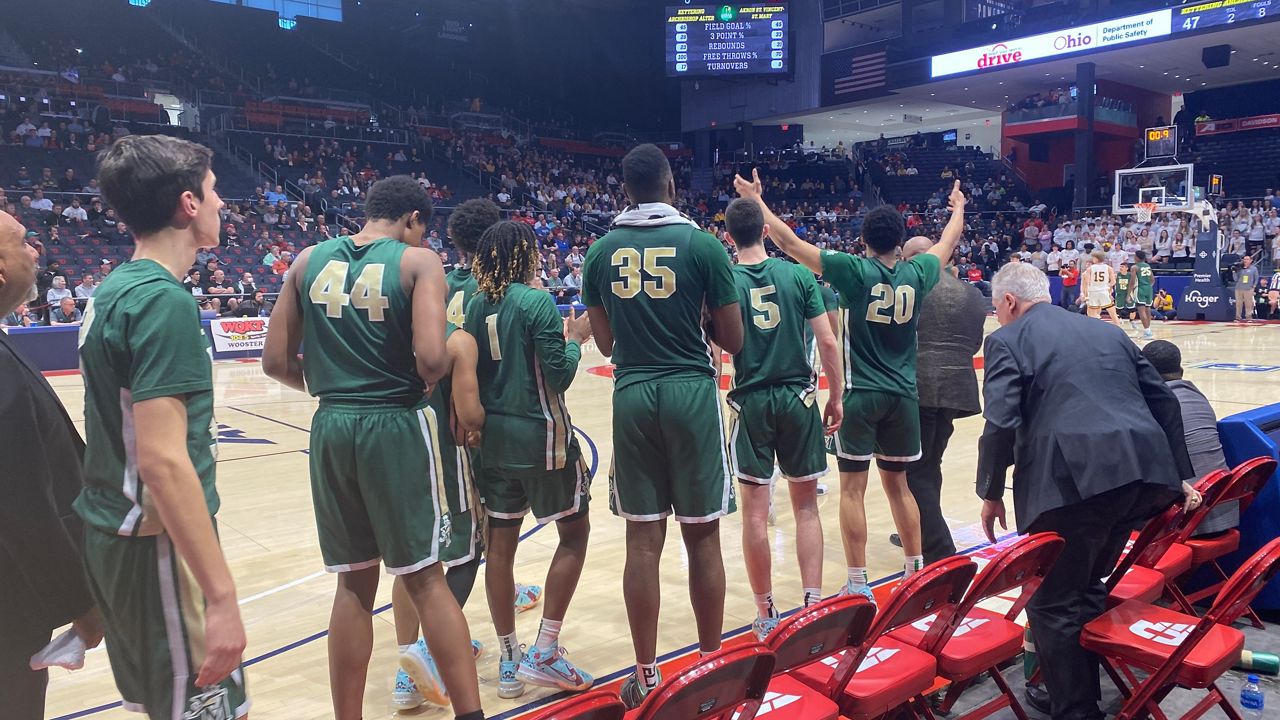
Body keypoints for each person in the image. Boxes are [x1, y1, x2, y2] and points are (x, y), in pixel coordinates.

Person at [262, 176, 485, 720]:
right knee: (428, 579)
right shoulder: (419, 262)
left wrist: (333, 385)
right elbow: (432, 359)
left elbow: (273, 361)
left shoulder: (307, 259)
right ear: (413, 219)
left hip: (332, 427)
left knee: (353, 587)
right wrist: (432, 369)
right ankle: (472, 715)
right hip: (393, 424)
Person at [77, 135, 249, 718]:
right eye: (213, 189)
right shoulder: (161, 301)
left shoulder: (115, 289)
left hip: (121, 537)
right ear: (188, 204)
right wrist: (222, 597)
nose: (222, 201)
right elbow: (162, 460)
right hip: (157, 545)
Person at [976, 263, 1193, 720]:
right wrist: (1180, 475)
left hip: (1074, 484)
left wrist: (991, 491)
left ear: (1010, 302)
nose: (996, 317)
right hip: (1141, 479)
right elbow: (1166, 400)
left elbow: (1000, 423)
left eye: (995, 307)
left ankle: (1076, 710)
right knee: (1087, 585)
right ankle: (1074, 693)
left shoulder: (1006, 340)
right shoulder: (1106, 331)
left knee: (1052, 602)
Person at [740, 171, 968, 602]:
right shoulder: (918, 272)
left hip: (860, 394)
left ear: (863, 239)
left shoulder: (852, 269)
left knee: (853, 488)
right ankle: (915, 571)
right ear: (901, 242)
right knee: (900, 486)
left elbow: (788, 243)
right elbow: (947, 243)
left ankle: (859, 581)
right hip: (903, 394)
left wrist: (758, 203)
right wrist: (957, 210)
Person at [581, 144, 744, 707]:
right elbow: (735, 341)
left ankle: (647, 676)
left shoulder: (600, 252)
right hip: (691, 393)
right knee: (703, 535)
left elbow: (604, 344)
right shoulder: (703, 244)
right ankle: (709, 664)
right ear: (672, 184)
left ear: (625, 190)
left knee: (642, 540)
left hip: (632, 393)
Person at [387, 198, 544, 709]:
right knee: (469, 548)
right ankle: (423, 660)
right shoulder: (496, 293)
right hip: (467, 435)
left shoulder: (434, 283)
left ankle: (414, 650)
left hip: (409, 425)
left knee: (418, 552)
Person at [465, 221, 595, 698]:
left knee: (499, 551)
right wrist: (577, 337)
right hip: (543, 440)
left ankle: (508, 659)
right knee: (574, 534)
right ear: (525, 256)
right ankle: (545, 649)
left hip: (492, 443)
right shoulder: (536, 301)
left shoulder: (475, 305)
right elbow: (558, 376)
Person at [721, 197, 843, 640]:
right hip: (798, 398)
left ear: (728, 237)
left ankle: (765, 614)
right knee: (807, 507)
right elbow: (828, 343)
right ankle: (813, 602)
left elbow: (712, 347)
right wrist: (838, 395)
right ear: (767, 232)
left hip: (750, 401)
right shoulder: (797, 275)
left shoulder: (725, 279)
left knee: (755, 515)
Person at [0, 211, 104, 719]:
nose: (35, 252)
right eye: (24, 243)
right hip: (10, 605)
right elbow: (20, 507)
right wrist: (81, 604)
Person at [893, 236, 985, 564]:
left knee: (913, 470)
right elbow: (974, 343)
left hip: (916, 386)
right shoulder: (972, 294)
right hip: (956, 388)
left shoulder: (909, 287)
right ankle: (916, 521)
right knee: (931, 465)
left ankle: (938, 548)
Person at [1141, 340, 1237, 535]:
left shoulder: (1155, 406)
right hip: (1225, 511)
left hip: (1184, 519)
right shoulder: (1198, 397)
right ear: (1181, 369)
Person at [1082, 249, 1123, 326]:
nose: (1092, 259)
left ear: (1097, 258)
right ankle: (1119, 329)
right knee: (1113, 313)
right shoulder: (1109, 268)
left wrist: (1085, 295)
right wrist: (1107, 286)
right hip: (1104, 291)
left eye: (1093, 258)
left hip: (1093, 292)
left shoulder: (1090, 269)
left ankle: (1095, 330)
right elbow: (1113, 282)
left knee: (1092, 314)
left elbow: (1087, 283)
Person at [1132, 250, 1156, 339]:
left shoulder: (1135, 267)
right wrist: (1148, 286)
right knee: (1148, 310)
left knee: (1141, 311)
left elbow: (1132, 281)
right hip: (1149, 288)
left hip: (1140, 288)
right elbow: (1153, 280)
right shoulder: (1148, 266)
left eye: (1135, 256)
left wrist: (1129, 293)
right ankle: (1148, 330)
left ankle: (1147, 332)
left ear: (1137, 257)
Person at [1234, 254, 1258, 322]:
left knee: (1248, 304)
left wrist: (1254, 286)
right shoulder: (1240, 268)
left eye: (1247, 259)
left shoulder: (1254, 268)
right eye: (1244, 259)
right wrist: (1234, 272)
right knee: (1238, 304)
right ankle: (1238, 317)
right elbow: (1235, 279)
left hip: (1248, 289)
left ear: (1251, 261)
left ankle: (1248, 317)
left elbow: (1256, 278)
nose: (1245, 260)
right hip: (1239, 288)